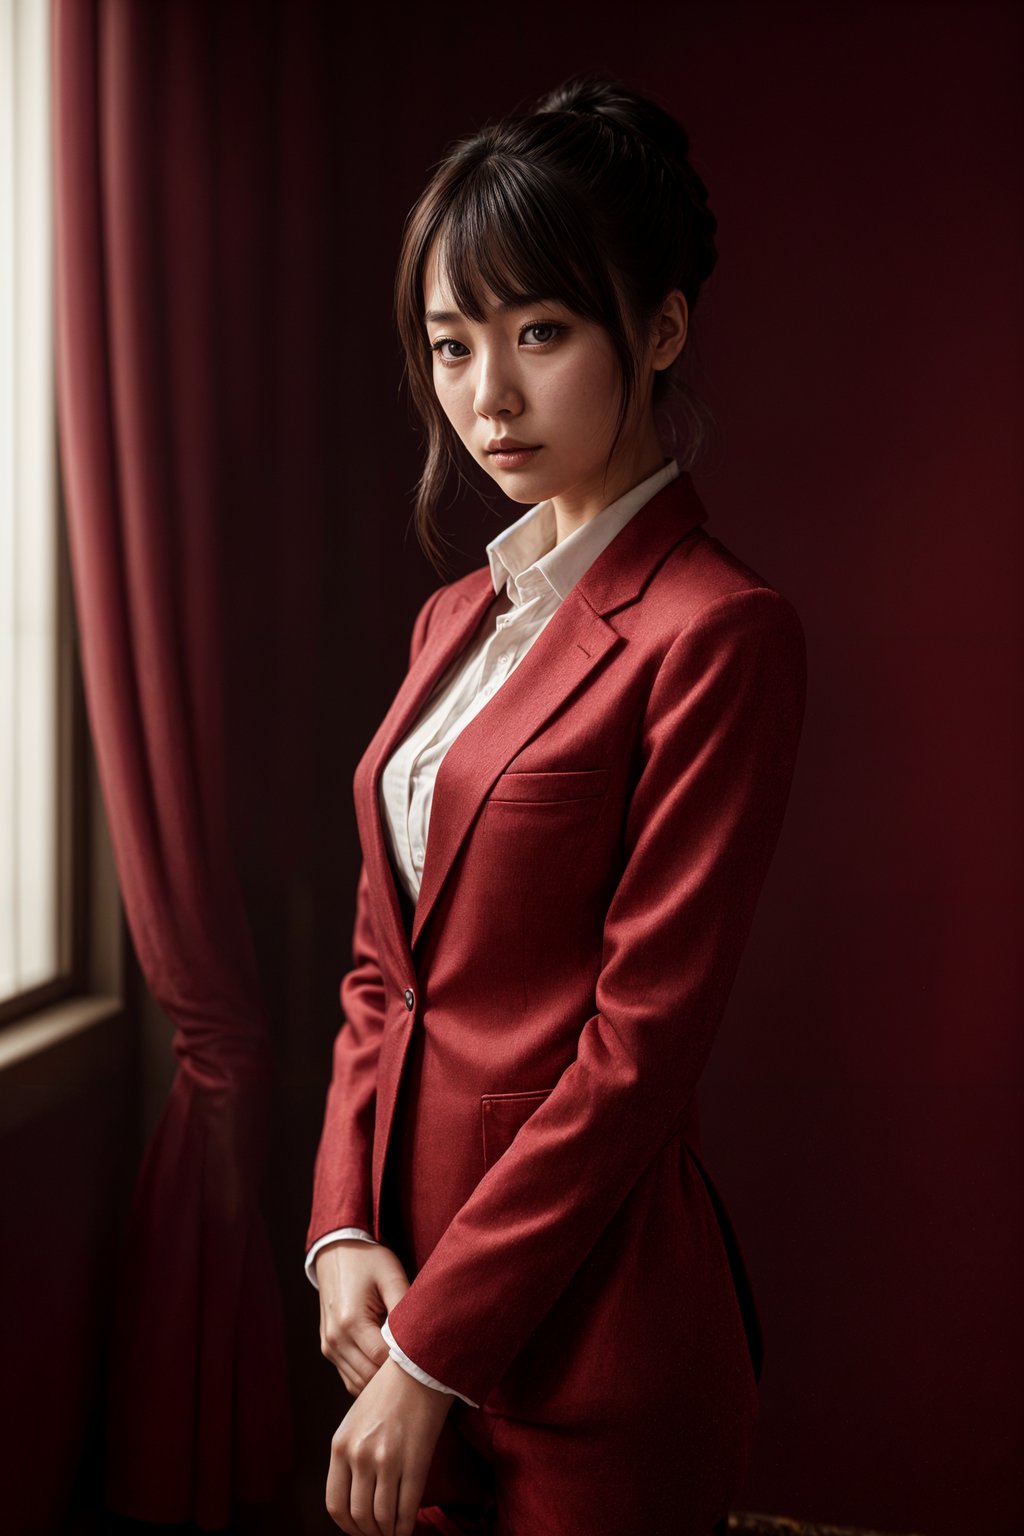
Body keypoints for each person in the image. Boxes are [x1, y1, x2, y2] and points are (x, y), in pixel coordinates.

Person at [305, 72, 807, 1536]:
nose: (488, 397)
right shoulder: (452, 620)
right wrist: (342, 1232)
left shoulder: (718, 632)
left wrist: (436, 1350)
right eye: (453, 346)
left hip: (584, 1345)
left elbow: (638, 1052)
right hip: (393, 1299)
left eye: (541, 333)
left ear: (657, 330)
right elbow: (378, 975)